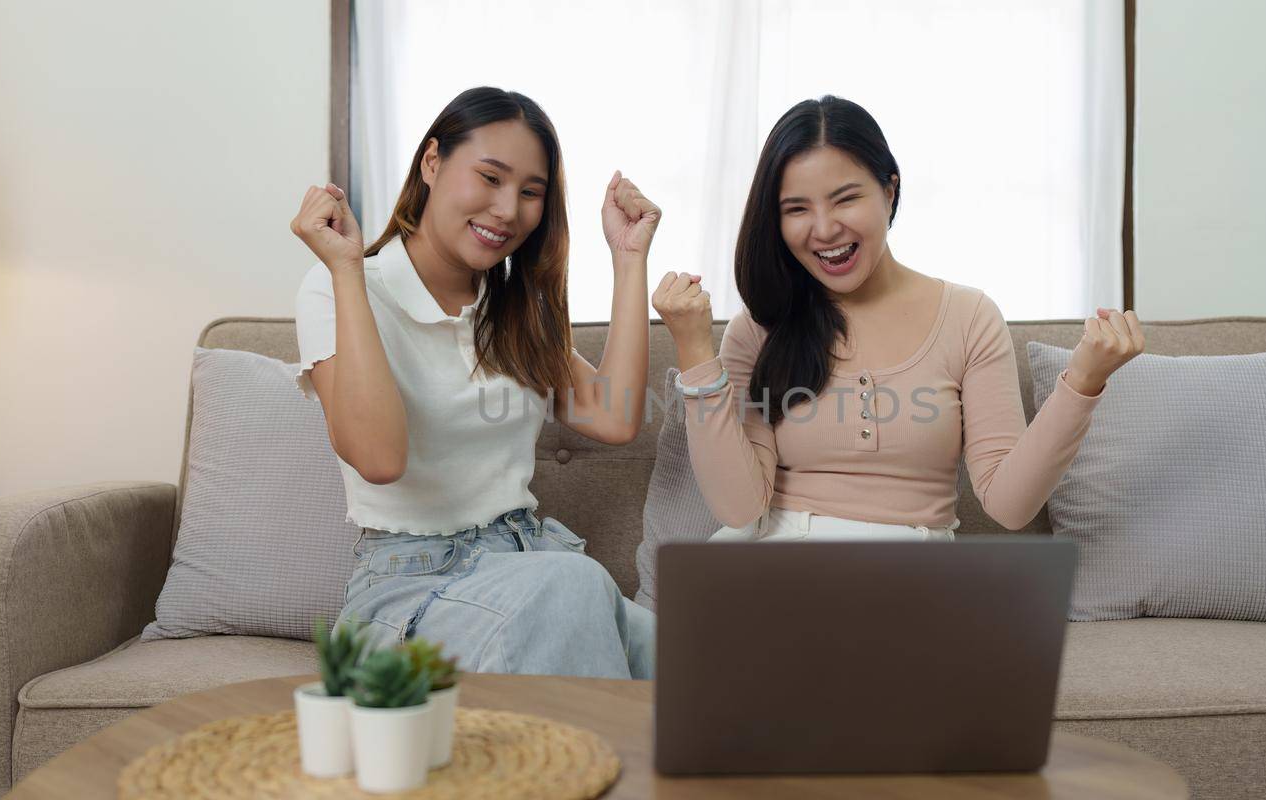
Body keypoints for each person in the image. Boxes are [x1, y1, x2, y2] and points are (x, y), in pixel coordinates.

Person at [651, 95, 1145, 543]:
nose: (824, 229)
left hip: (909, 577)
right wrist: (696, 352)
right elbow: (739, 507)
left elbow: (1010, 506)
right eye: (797, 209)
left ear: (890, 192)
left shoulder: (968, 318)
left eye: (845, 198)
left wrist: (1084, 381)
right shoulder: (761, 328)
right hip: (776, 562)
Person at [291, 87, 657, 677]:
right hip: (409, 593)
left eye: (530, 192)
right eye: (490, 177)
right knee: (574, 585)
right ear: (431, 162)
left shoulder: (512, 307)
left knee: (701, 656)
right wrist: (345, 271)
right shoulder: (342, 286)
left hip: (527, 563)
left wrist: (629, 258)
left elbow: (613, 417)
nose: (508, 210)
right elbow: (378, 458)